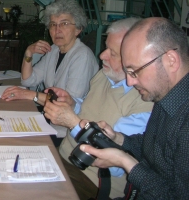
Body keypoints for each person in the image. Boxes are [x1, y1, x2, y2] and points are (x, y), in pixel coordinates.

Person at [43, 17, 154, 198]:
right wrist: (73, 103)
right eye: (105, 48)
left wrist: (72, 121)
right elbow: (89, 109)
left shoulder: (145, 100)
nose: (102, 55)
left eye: (113, 52)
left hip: (94, 182)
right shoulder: (105, 74)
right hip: (63, 158)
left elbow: (113, 162)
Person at [80, 17, 189, 199]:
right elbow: (152, 147)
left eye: (134, 71)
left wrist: (126, 162)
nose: (130, 81)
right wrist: (119, 139)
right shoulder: (165, 95)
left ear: (171, 60)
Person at [1, 0, 98, 102]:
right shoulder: (54, 50)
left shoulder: (83, 56)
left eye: (64, 24)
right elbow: (28, 81)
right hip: (53, 115)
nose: (57, 30)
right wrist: (28, 53)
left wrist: (31, 95)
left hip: (74, 117)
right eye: (53, 24)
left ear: (78, 29)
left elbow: (68, 102)